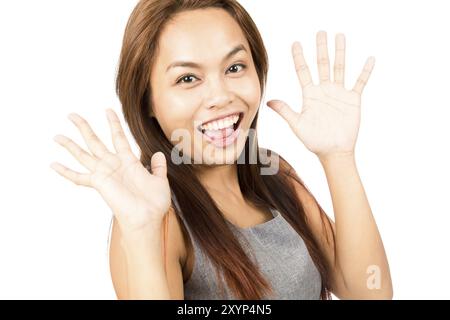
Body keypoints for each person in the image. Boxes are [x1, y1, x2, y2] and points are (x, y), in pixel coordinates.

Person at [50, 0, 392, 300]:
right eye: (187, 78)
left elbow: (370, 290)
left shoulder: (274, 173)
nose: (221, 96)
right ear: (148, 100)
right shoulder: (154, 216)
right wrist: (141, 234)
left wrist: (339, 158)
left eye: (234, 68)